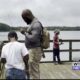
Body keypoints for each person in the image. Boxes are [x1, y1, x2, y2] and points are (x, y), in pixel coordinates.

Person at [20, 9, 43, 79]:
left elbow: (33, 39)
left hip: (34, 50)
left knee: (34, 72)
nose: (24, 21)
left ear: (28, 16)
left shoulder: (36, 24)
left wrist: (24, 33)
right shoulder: (33, 23)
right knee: (32, 71)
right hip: (33, 50)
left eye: (24, 19)